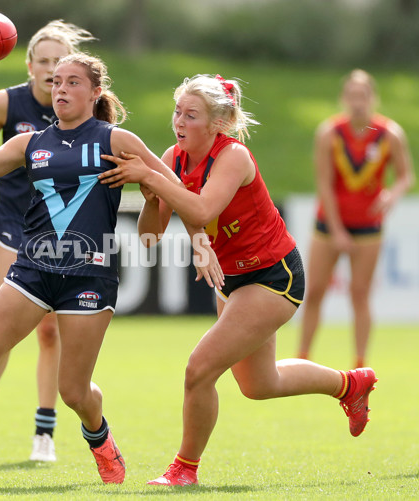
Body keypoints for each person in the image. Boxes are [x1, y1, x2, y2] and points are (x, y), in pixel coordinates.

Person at [0, 53, 220, 486]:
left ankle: (100, 438)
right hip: (31, 271)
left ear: (95, 93)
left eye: (73, 82)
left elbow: (176, 186)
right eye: (56, 82)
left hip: (89, 277)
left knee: (73, 391)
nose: (60, 90)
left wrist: (197, 237)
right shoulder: (29, 143)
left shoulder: (117, 141)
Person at [97, 74, 378, 486]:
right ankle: (350, 385)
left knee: (199, 369)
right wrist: (151, 192)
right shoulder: (172, 158)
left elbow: (203, 205)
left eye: (191, 115)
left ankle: (184, 469)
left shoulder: (234, 156)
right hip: (231, 280)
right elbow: (149, 237)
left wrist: (156, 180)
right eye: (178, 111)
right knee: (260, 385)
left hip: (272, 276)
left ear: (218, 123)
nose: (179, 120)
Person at [0, 19, 95, 464]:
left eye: (60, 62)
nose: (51, 69)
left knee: (51, 330)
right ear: (29, 63)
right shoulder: (7, 101)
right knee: (5, 331)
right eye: (43, 61)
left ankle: (44, 431)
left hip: (60, 232)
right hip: (14, 224)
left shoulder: (81, 108)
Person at [297, 69, 414, 368]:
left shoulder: (390, 134)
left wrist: (392, 193)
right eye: (352, 95)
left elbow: (406, 176)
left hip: (368, 227)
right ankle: (303, 358)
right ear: (344, 99)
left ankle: (360, 363)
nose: (358, 102)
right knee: (315, 292)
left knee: (360, 294)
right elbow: (324, 183)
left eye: (363, 95)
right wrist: (337, 231)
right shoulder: (330, 133)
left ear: (373, 98)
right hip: (328, 226)